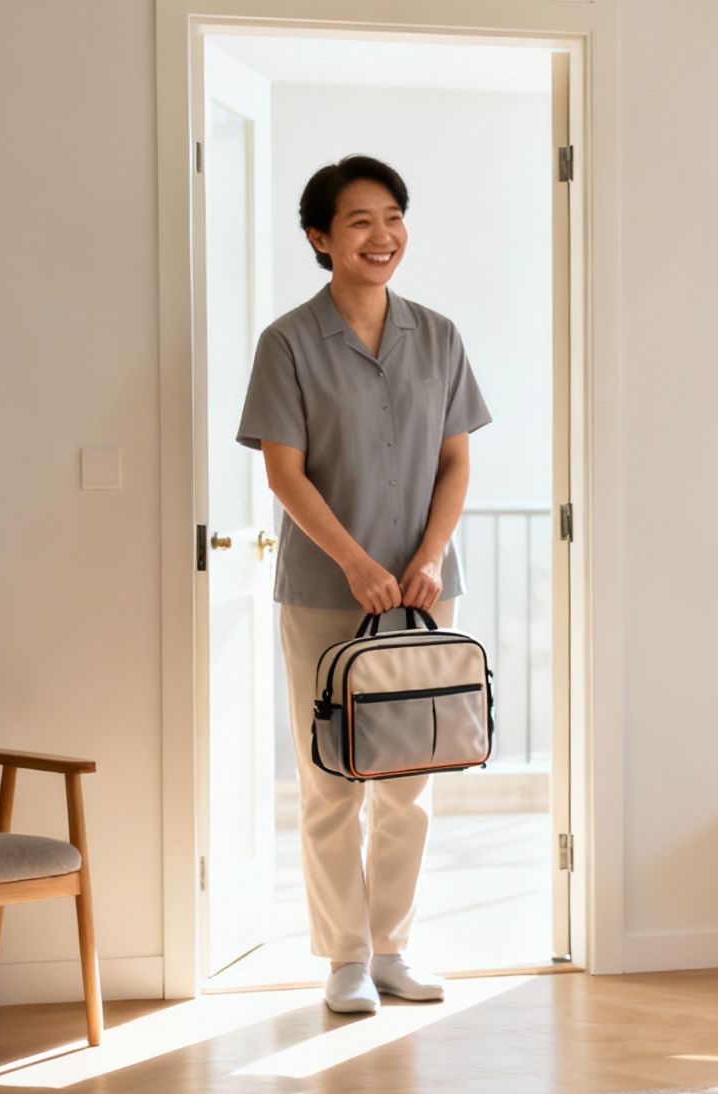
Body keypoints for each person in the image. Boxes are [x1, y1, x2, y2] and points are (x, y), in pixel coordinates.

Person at [235, 155, 491, 1014]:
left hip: (424, 588)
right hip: (324, 590)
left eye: (393, 217)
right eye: (359, 222)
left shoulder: (441, 336)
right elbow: (286, 475)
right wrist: (355, 561)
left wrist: (429, 554)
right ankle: (343, 957)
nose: (383, 237)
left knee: (409, 777)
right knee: (332, 779)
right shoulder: (288, 344)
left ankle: (393, 949)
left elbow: (456, 460)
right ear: (320, 238)